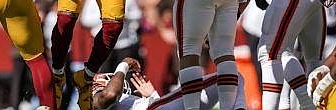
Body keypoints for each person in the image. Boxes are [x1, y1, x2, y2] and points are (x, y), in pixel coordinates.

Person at [90, 57, 246, 110]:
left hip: (158, 106)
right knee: (231, 77)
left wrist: (153, 96)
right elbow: (109, 95)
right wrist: (123, 65)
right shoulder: (95, 98)